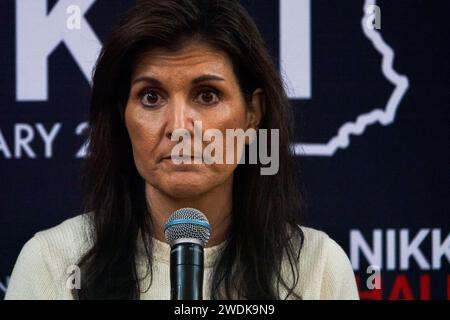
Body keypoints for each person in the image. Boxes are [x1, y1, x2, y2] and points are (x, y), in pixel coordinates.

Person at [5, 0, 359, 300]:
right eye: (151, 97)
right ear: (121, 116)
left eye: (207, 95)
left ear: (252, 115)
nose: (178, 127)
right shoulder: (53, 263)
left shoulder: (318, 268)